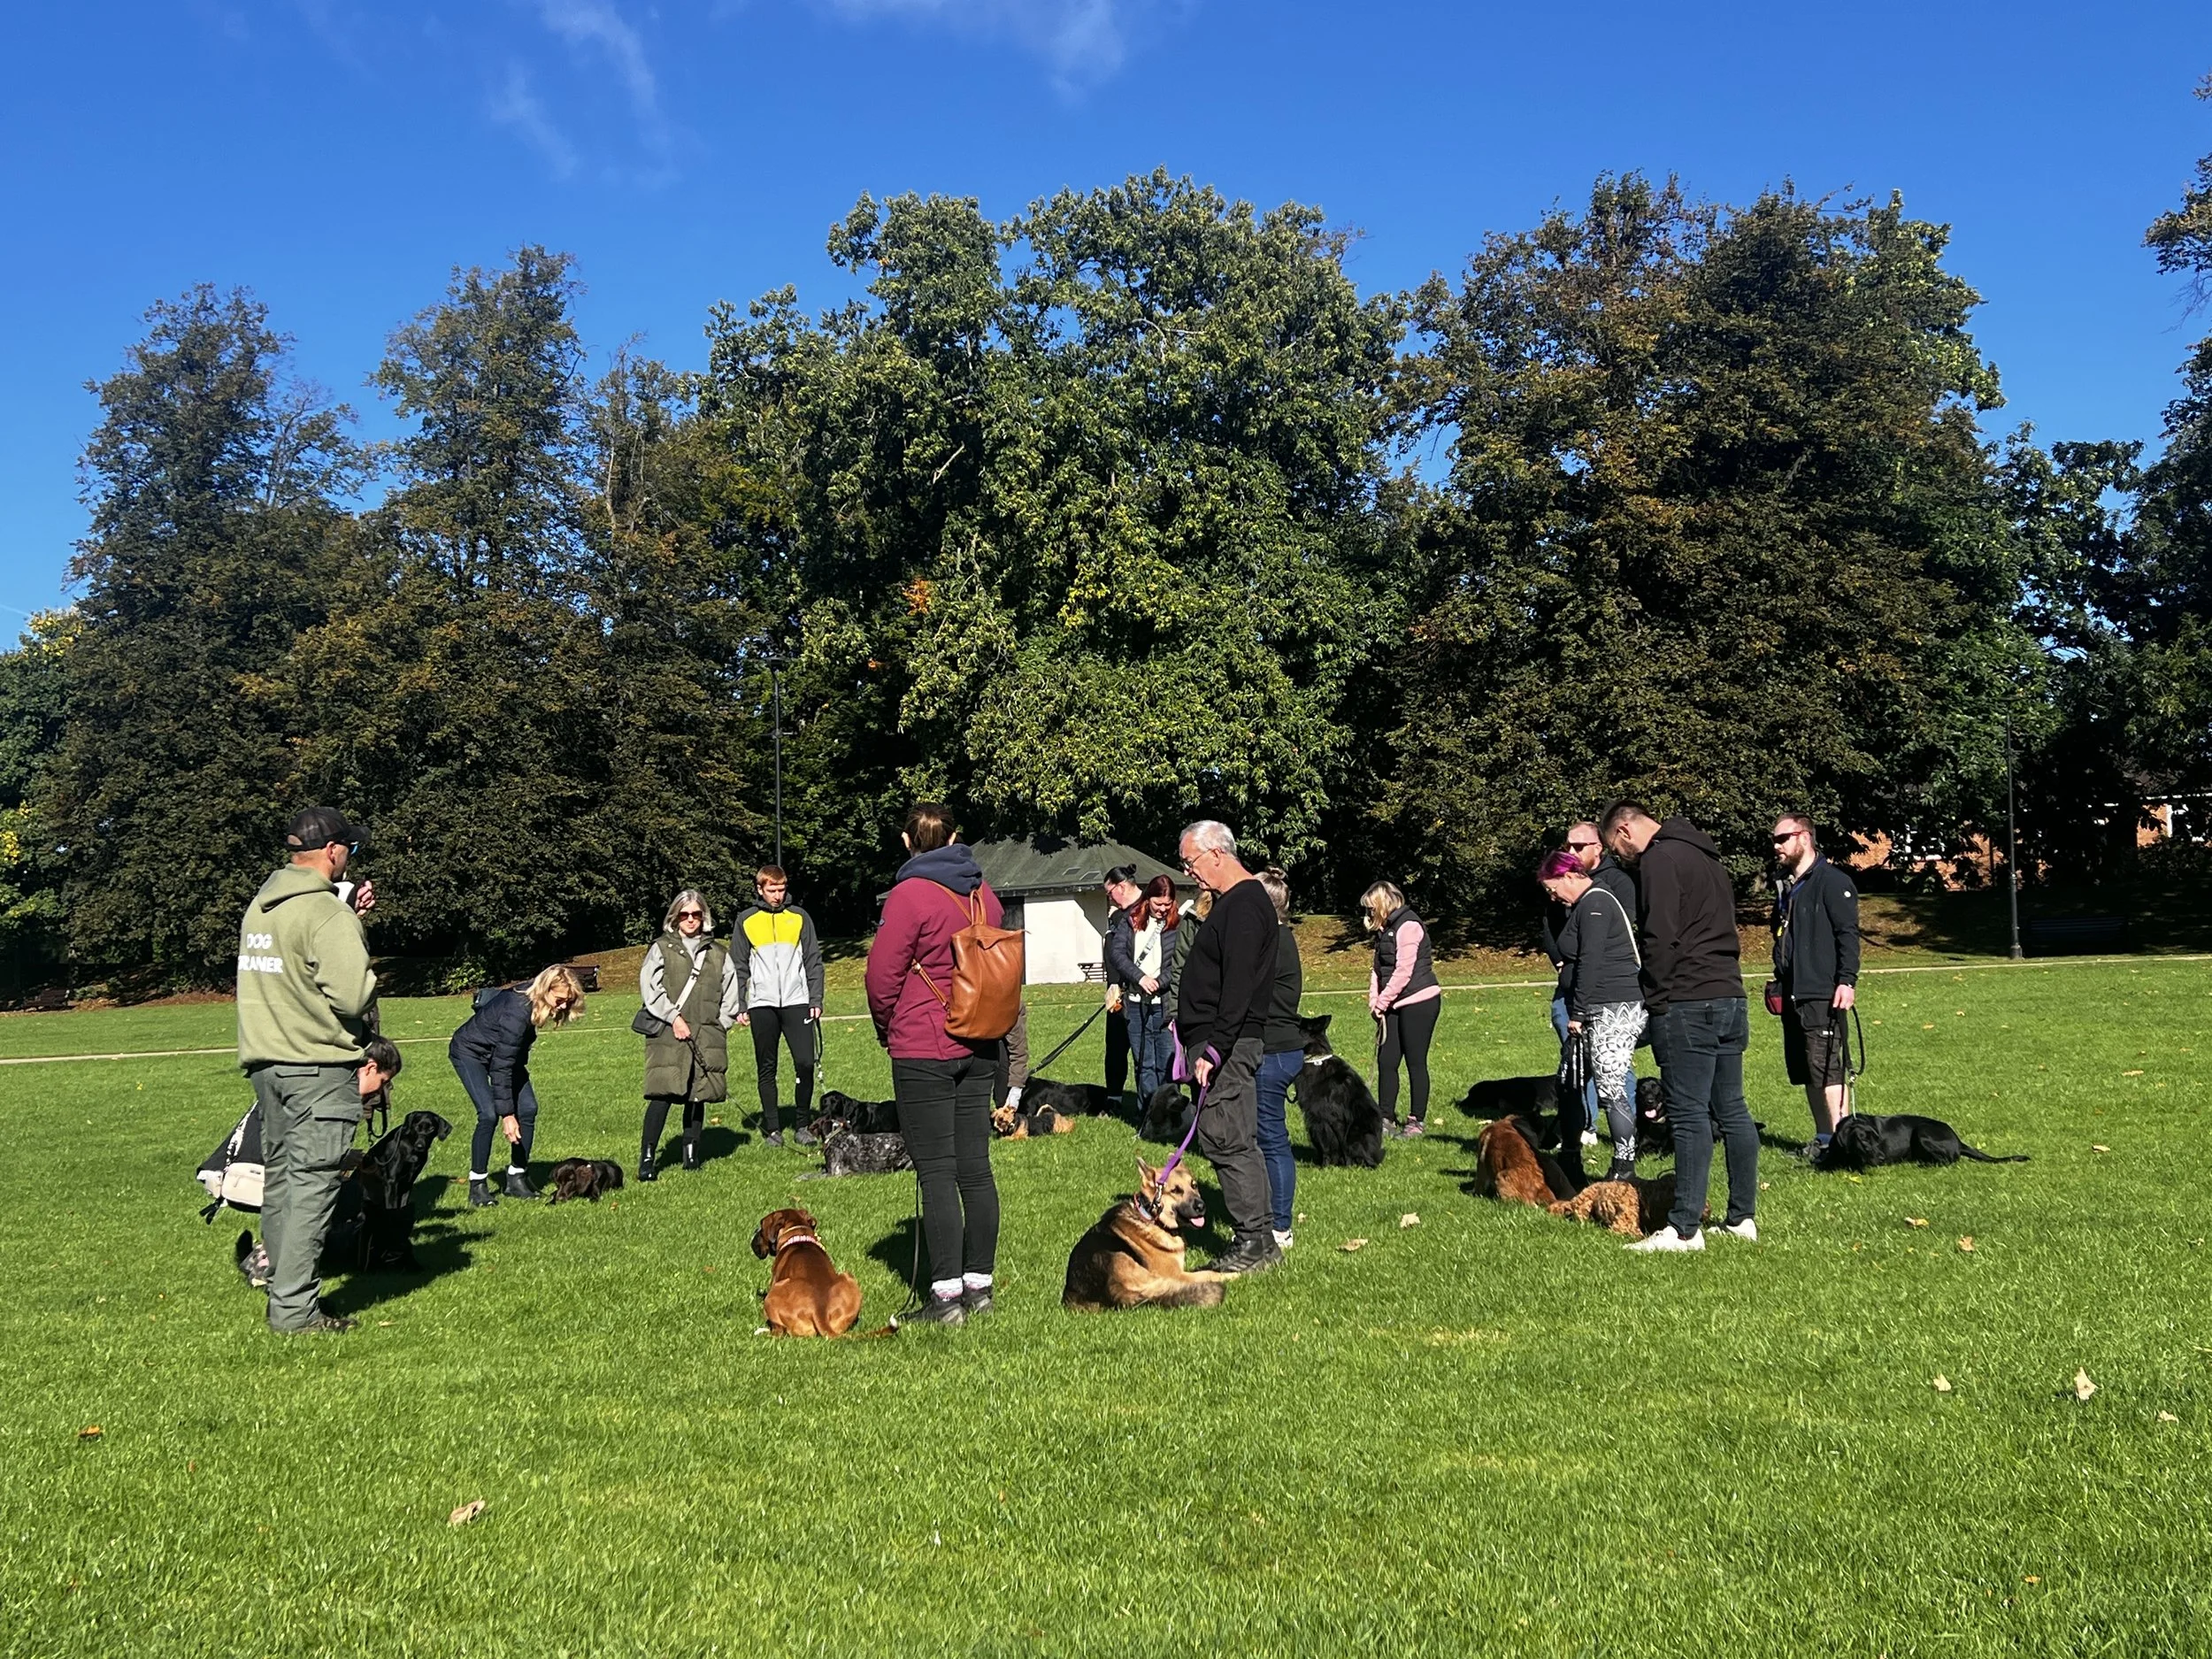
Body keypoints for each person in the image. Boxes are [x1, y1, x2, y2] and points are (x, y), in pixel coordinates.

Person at [234, 805, 379, 1335]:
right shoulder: (326, 916)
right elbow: (352, 994)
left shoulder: (263, 907)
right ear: (335, 851)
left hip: (268, 1065)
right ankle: (295, 1313)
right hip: (317, 1067)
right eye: (351, 850)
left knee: (283, 1184)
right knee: (314, 1187)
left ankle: (278, 1285)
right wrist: (355, 936)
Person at [864, 803, 1007, 1327]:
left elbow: (881, 977)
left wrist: (887, 1028)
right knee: (975, 1168)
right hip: (981, 1040)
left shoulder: (909, 895)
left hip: (924, 1042)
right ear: (956, 837)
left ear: (907, 842)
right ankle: (981, 1286)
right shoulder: (982, 893)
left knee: (937, 1172)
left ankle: (946, 1298)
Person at [1602, 802, 1756, 1252]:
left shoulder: (1659, 859)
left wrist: (1654, 997)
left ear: (1626, 830)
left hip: (1688, 999)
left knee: (1688, 1114)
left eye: (1616, 849)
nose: (1621, 859)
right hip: (1729, 993)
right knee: (1733, 1109)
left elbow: (1659, 934)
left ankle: (1684, 1228)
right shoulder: (1707, 856)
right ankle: (1742, 1218)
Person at [1174, 818, 1280, 1276]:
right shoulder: (1233, 904)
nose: (1190, 873)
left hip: (1228, 1044)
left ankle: (1252, 1240)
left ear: (1217, 854)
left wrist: (1215, 1049)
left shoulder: (1242, 906)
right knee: (1233, 1138)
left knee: (1227, 1139)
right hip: (1223, 1040)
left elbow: (1237, 984)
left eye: (1191, 863)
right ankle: (1260, 1239)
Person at [1538, 849, 1646, 1183]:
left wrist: (1579, 1012)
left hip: (1613, 1006)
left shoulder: (1598, 903)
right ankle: (1570, 1156)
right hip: (1590, 1007)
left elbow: (1591, 961)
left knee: (1611, 1086)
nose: (1553, 896)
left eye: (1553, 887)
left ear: (1570, 876)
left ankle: (1624, 1164)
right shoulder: (1582, 905)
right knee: (1570, 1081)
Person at [450, 965, 588, 1206]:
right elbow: (502, 1066)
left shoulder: (535, 1003)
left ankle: (516, 1179)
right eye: (560, 1000)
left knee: (528, 1108)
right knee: (489, 1114)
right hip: (470, 1053)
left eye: (569, 1001)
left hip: (501, 1056)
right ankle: (478, 1185)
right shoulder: (518, 1010)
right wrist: (507, 1114)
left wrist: (515, 1108)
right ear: (545, 991)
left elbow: (510, 1057)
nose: (564, 1006)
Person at [1770, 813, 1862, 1152]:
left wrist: (1846, 981)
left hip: (1823, 991)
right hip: (1793, 990)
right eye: (1775, 840)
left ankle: (1843, 1142)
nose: (1776, 846)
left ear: (1804, 838)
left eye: (1782, 839)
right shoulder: (1788, 886)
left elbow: (1848, 935)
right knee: (1808, 1068)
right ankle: (1824, 1138)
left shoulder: (1832, 881)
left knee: (1827, 1068)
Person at [639, 889, 742, 1174]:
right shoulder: (661, 947)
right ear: (675, 916)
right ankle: (647, 1158)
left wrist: (721, 1023)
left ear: (704, 916)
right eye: (684, 914)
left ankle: (692, 1154)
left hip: (707, 1032)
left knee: (699, 1094)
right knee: (663, 1093)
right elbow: (651, 989)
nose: (690, 920)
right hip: (668, 1032)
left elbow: (731, 991)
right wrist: (673, 1017)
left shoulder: (718, 952)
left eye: (696, 914)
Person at [733, 865, 826, 1147]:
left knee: (805, 1063)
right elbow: (738, 965)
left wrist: (816, 999)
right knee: (766, 1067)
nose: (777, 895)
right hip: (762, 1004)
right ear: (760, 889)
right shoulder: (746, 920)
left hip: (797, 1002)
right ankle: (773, 1129)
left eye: (781, 889)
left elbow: (813, 960)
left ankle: (802, 1125)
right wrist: (740, 1003)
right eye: (772, 890)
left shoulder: (799, 917)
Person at [1363, 880, 1441, 1137]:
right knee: (1387, 1060)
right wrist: (1375, 1000)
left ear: (1384, 904)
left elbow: (1404, 971)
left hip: (1419, 1000)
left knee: (1415, 1062)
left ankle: (1416, 1120)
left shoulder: (1409, 926)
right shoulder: (1384, 931)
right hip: (1393, 1000)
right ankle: (1385, 1117)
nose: (1369, 913)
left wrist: (1384, 1001)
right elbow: (1378, 969)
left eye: (1371, 908)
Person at [1254, 867, 1303, 1253]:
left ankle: (1280, 1227)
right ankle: (1268, 1217)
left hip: (1274, 1051)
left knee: (1272, 1139)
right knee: (1264, 1137)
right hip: (1278, 1049)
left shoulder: (1273, 943)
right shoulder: (1280, 939)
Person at [1107, 874, 1180, 1104]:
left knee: (1167, 1061)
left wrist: (1159, 981)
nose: (1162, 910)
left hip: (1164, 1004)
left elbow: (1180, 963)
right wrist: (1139, 978)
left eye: (1167, 905)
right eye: (1158, 904)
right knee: (1144, 1061)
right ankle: (1147, 1111)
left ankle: (1169, 1112)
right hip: (1136, 1002)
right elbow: (1117, 954)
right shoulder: (1130, 921)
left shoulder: (1177, 925)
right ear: (1148, 899)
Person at [1100, 865, 1141, 1106]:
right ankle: (1114, 1097)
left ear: (1122, 886)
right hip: (1116, 992)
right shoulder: (1117, 917)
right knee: (1115, 1045)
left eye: (1110, 893)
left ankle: (1144, 1100)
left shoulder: (1146, 909)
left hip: (1137, 989)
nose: (1110, 899)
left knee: (1139, 1047)